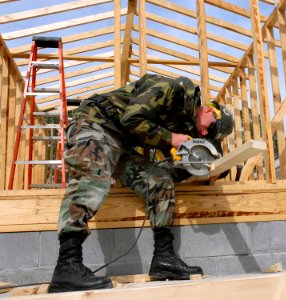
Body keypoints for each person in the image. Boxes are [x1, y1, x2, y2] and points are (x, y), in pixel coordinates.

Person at [48, 74, 234, 293]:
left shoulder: (181, 124)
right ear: (210, 111)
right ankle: (67, 266)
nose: (204, 133)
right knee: (93, 175)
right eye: (211, 129)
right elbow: (132, 119)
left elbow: (175, 164)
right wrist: (171, 138)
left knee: (160, 180)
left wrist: (210, 165)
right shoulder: (171, 89)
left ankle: (164, 259)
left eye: (209, 136)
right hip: (95, 124)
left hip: (120, 143)